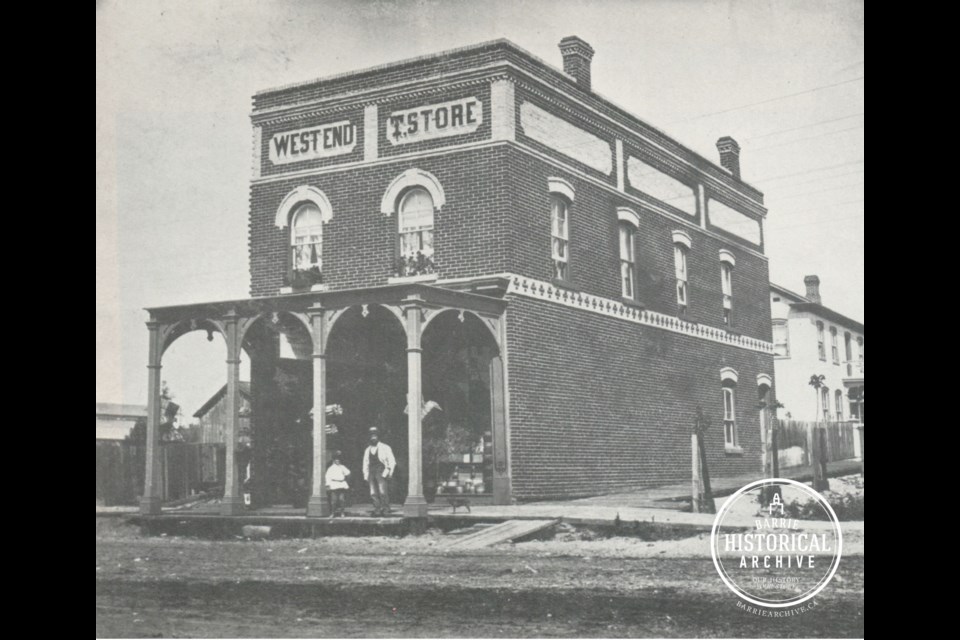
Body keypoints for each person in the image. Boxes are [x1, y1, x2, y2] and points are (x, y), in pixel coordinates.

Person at [362, 427, 396, 516]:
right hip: (371, 472)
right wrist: (366, 475)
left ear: (378, 436)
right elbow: (365, 463)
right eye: (371, 436)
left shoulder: (385, 447)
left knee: (382, 491)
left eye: (375, 436)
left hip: (381, 471)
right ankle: (377, 508)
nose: (373, 438)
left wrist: (389, 472)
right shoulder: (367, 450)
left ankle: (385, 509)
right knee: (373, 492)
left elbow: (392, 461)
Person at [324, 450, 351, 518]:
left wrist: (346, 480)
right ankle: (332, 513)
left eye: (339, 460)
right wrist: (328, 485)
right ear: (334, 461)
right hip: (334, 484)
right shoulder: (330, 468)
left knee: (342, 499)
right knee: (334, 501)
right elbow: (327, 477)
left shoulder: (342, 467)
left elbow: (348, 473)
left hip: (341, 484)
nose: (338, 461)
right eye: (336, 460)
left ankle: (342, 512)